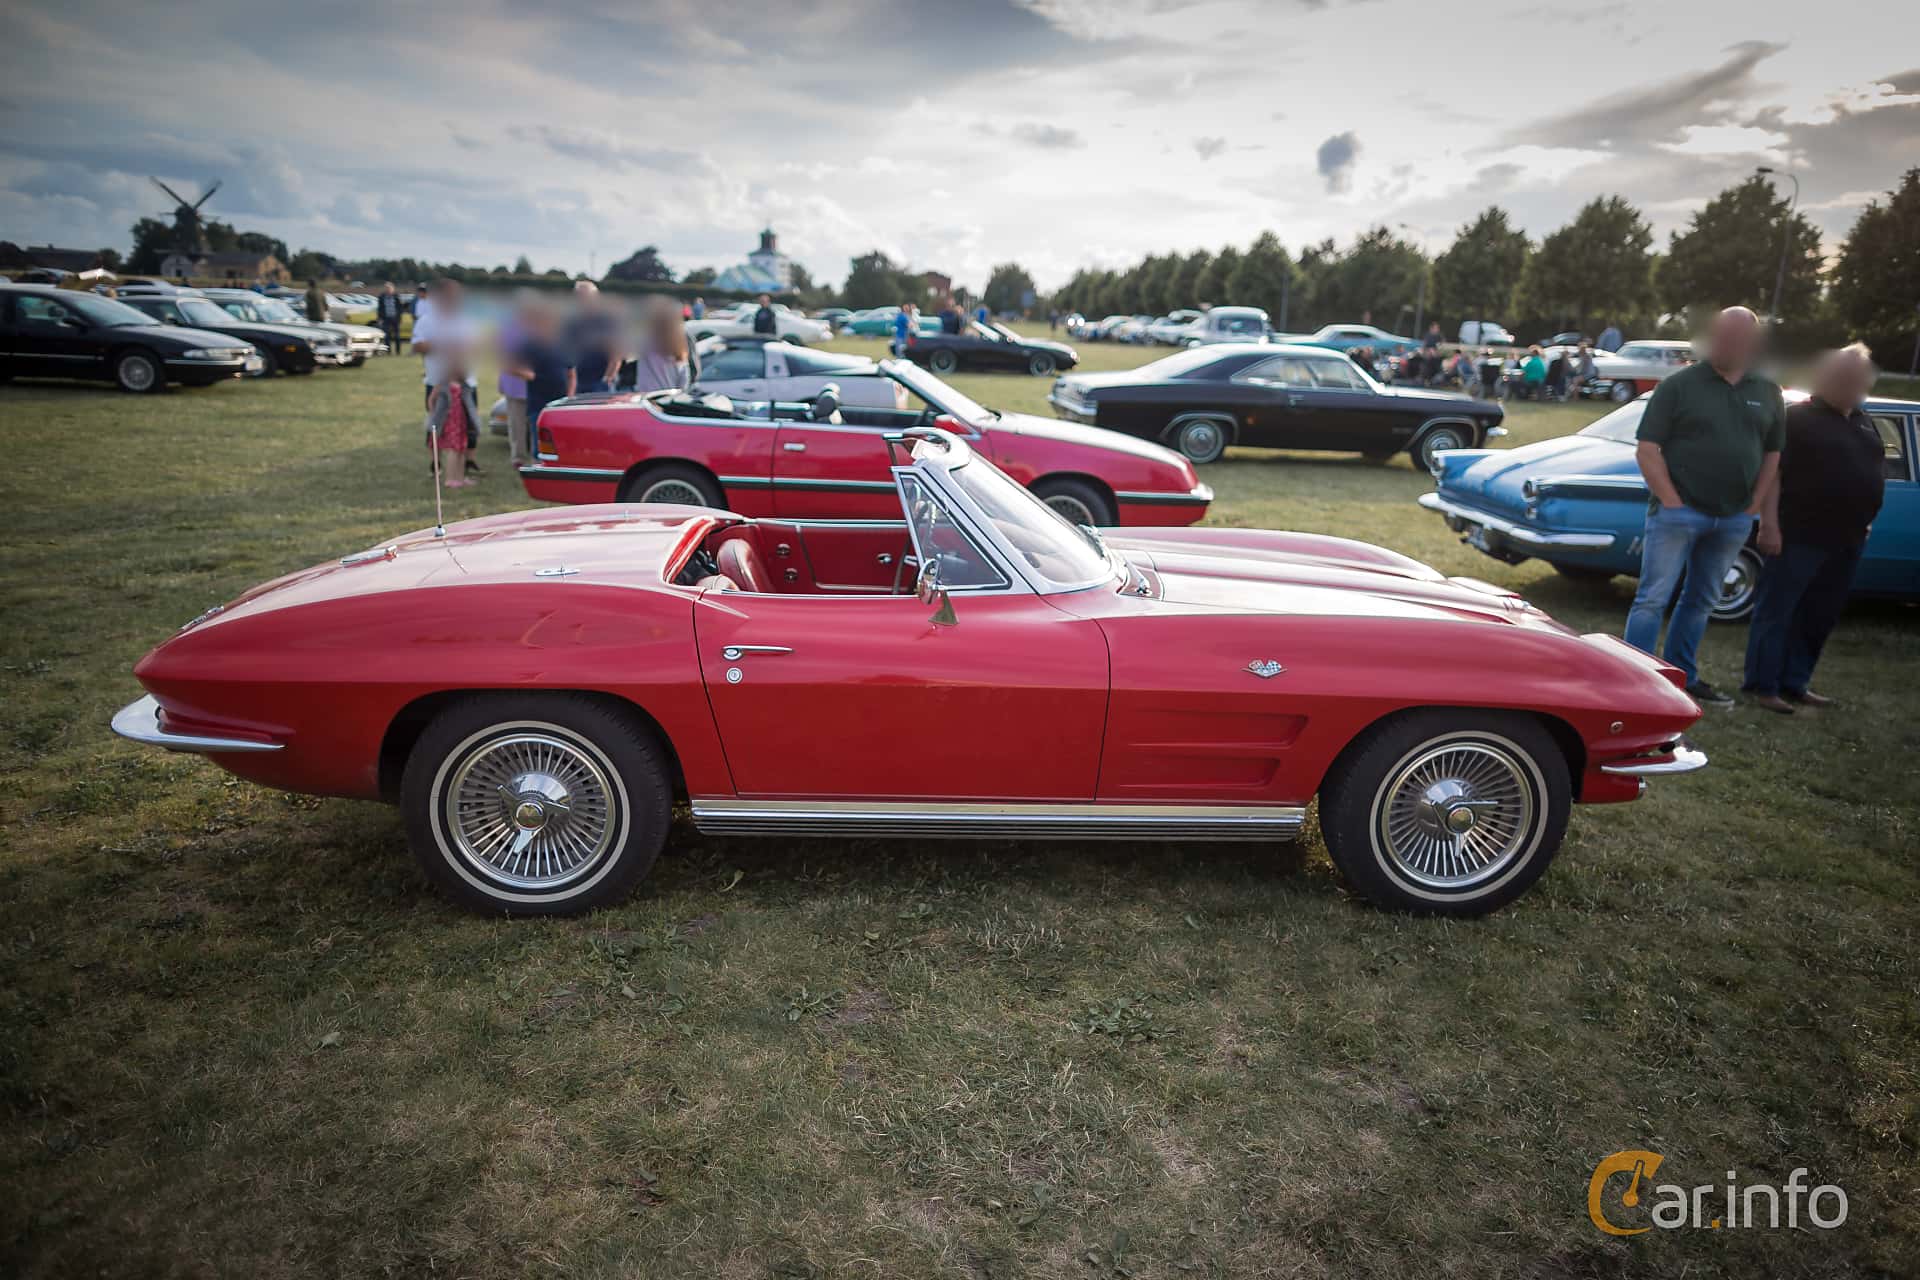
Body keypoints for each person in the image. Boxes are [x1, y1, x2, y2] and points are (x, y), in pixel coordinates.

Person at [1623, 307, 1784, 707]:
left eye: (1737, 337)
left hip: (1733, 518)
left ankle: (1683, 676)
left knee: (1701, 600)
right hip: (1679, 514)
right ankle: (1632, 680)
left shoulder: (1767, 390)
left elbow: (1772, 455)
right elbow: (1648, 449)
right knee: (1652, 598)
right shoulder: (1679, 385)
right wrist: (1673, 502)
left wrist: (1753, 508)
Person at [1742, 344, 1885, 713]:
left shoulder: (1864, 421)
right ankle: (1763, 684)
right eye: (1845, 377)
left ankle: (1795, 681)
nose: (1852, 384)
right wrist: (1768, 523)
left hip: (1848, 538)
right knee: (1778, 610)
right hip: (1798, 533)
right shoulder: (1798, 417)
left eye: (1858, 378)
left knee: (1820, 613)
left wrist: (1865, 519)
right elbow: (1773, 474)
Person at [504, 300, 575, 463]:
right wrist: (531, 376)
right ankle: (539, 469)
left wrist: (570, 396)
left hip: (560, 403)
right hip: (538, 403)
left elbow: (572, 373)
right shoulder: (530, 345)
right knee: (540, 444)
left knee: (560, 442)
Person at [629, 294, 700, 394]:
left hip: (649, 398)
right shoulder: (680, 343)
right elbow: (685, 376)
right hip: (670, 399)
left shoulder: (646, 341)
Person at [496, 292, 535, 469]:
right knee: (516, 423)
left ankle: (537, 456)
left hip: (536, 384)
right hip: (515, 383)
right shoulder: (507, 328)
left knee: (534, 422)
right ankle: (518, 457)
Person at [426, 359, 478, 489]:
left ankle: (460, 478)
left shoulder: (464, 385)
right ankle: (450, 479)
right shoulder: (443, 384)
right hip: (449, 423)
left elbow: (470, 404)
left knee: (462, 449)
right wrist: (434, 415)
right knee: (453, 450)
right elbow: (431, 400)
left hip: (462, 422)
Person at [565, 280, 623, 393]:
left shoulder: (606, 322)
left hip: (599, 383)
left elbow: (616, 356)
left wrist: (606, 380)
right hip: (578, 383)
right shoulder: (572, 323)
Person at [376, 283, 404, 354]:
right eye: (387, 288)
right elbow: (380, 309)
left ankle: (398, 352)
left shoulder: (397, 297)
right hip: (386, 319)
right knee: (387, 336)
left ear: (393, 289)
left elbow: (400, 308)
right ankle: (388, 352)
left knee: (397, 336)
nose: (388, 290)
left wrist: (400, 318)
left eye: (389, 289)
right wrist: (379, 318)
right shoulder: (382, 297)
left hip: (395, 319)